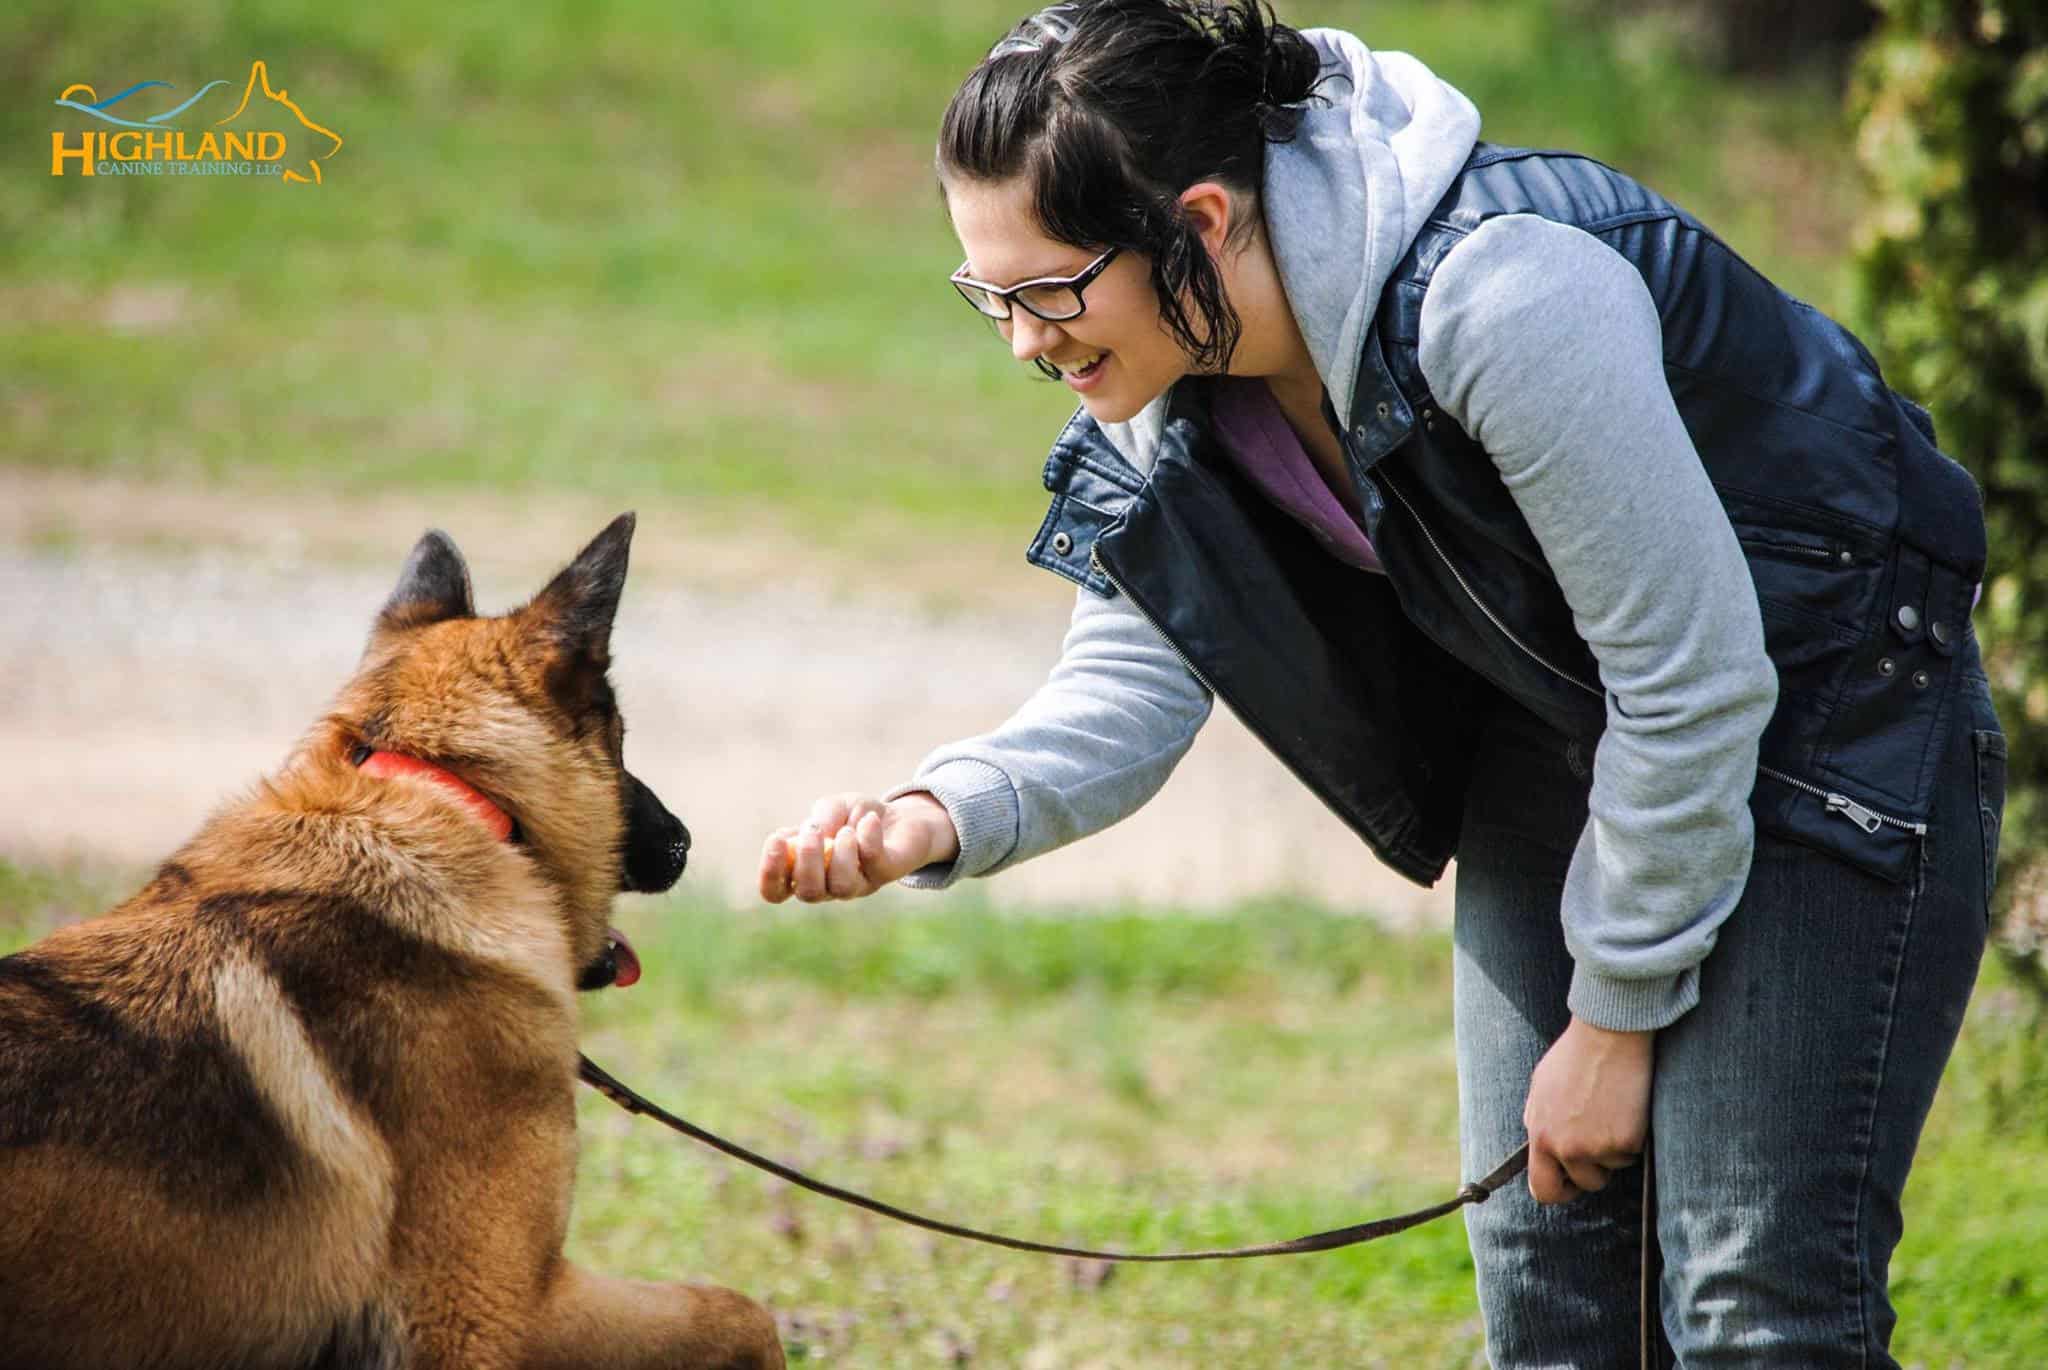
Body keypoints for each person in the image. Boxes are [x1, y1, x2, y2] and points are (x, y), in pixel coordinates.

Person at [756, 2, 2005, 1364]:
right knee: (1547, 1280)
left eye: (1050, 291)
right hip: (1571, 730)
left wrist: (1614, 1014)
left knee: (1752, 1301)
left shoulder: (1501, 297)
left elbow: (1691, 676)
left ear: (1201, 222)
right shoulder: (1170, 374)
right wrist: (934, 813)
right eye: (990, 294)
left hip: (1828, 709)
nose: (1021, 340)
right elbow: (1132, 677)